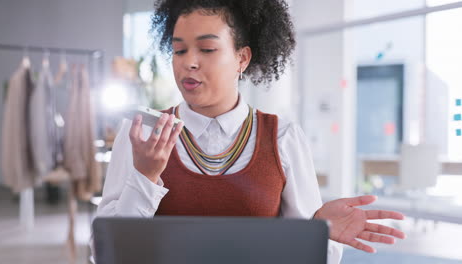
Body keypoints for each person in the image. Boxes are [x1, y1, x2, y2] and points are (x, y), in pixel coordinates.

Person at [95, 0, 406, 263]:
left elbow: (310, 254)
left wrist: (318, 230)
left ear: (242, 58)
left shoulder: (283, 137)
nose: (189, 62)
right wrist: (145, 178)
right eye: (179, 51)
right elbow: (106, 252)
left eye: (206, 49)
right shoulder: (140, 133)